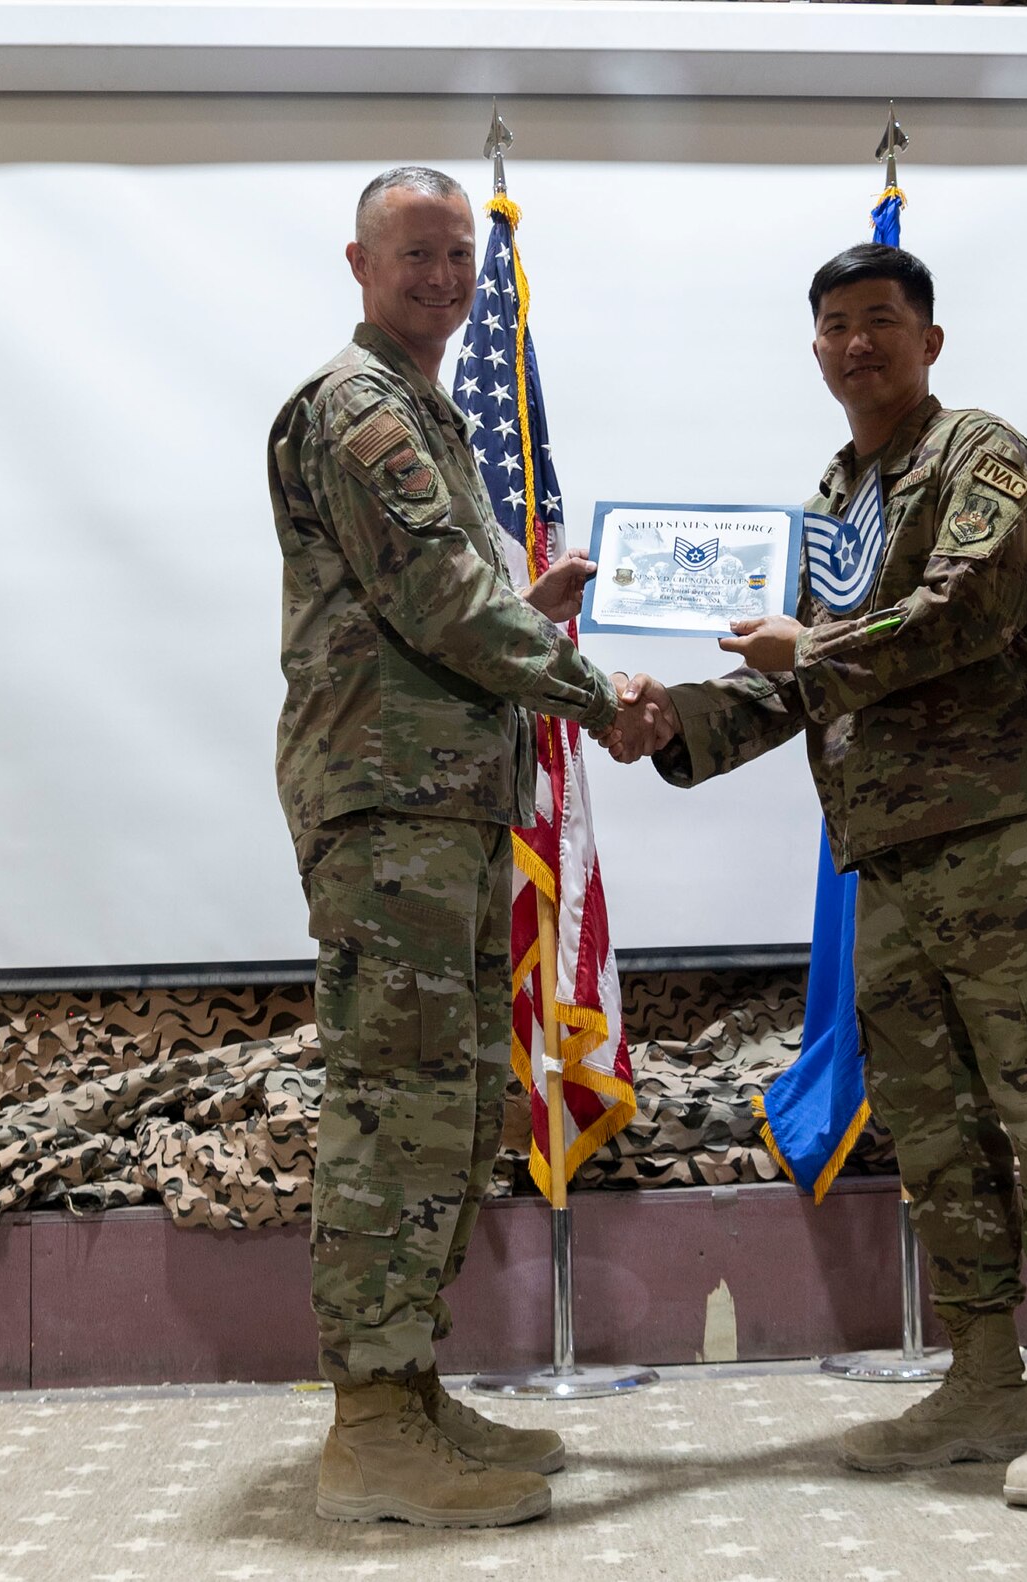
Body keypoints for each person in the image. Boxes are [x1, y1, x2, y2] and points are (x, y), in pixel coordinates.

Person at [602, 244, 1027, 1509]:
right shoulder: (833, 500)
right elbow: (785, 678)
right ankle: (984, 1377)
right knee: (940, 1138)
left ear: (929, 341)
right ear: (816, 351)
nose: (858, 344)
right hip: (888, 872)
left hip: (1007, 849)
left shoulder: (981, 459)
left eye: (882, 322)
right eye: (836, 326)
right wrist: (672, 723)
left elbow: (967, 609)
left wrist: (819, 644)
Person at [268, 165, 640, 1528]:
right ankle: (368, 1422)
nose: (439, 277)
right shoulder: (359, 408)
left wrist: (528, 610)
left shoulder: (433, 418)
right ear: (359, 266)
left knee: (449, 1105)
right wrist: (603, 694)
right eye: (412, 254)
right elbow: (439, 600)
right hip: (393, 812)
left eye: (454, 258)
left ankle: (407, 1387)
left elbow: (464, 603)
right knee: (396, 1109)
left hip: (449, 806)